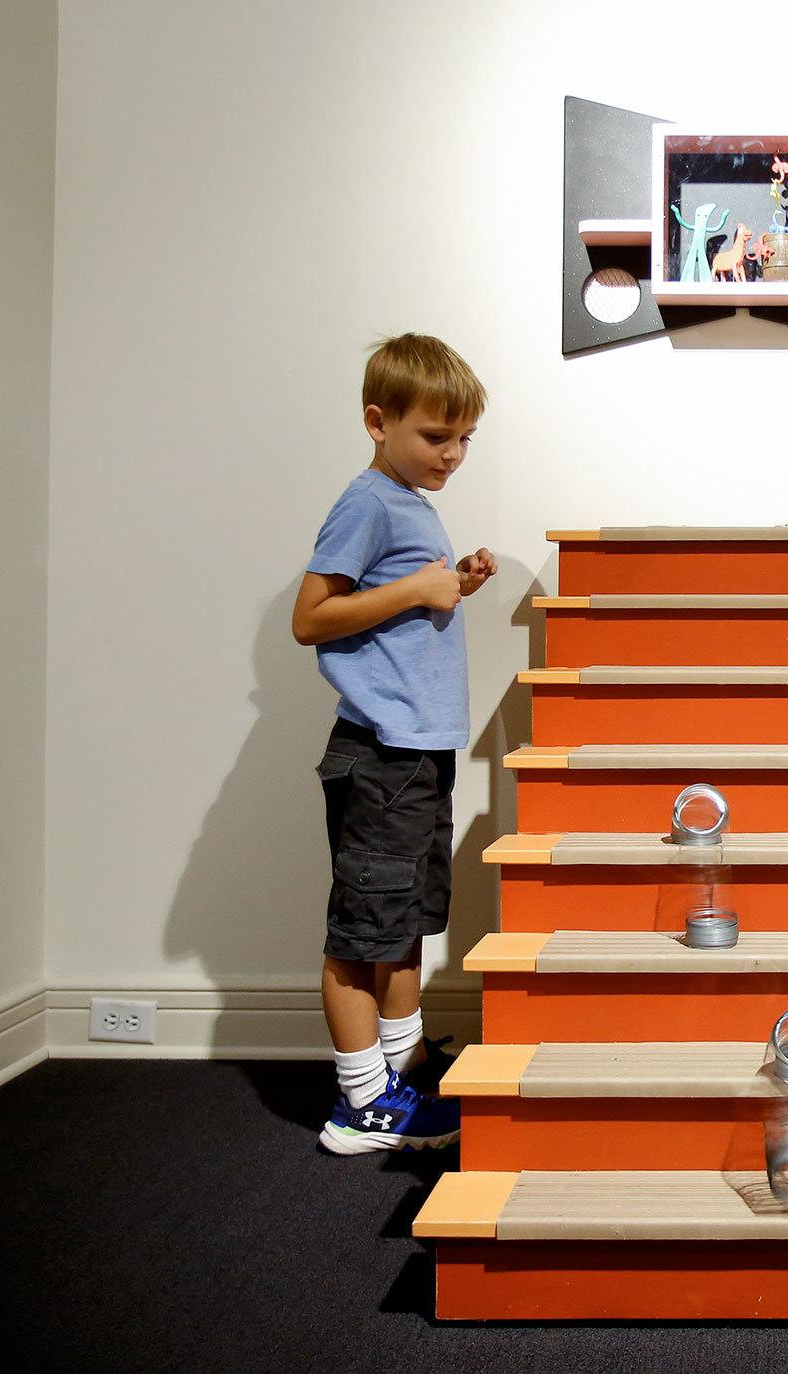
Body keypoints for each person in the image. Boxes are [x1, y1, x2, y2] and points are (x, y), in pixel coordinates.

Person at [291, 333, 498, 1154]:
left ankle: (401, 1068)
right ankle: (358, 1103)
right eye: (434, 437)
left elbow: (393, 612)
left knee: (403, 921)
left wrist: (453, 584)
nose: (451, 454)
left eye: (463, 440)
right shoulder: (369, 501)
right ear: (378, 422)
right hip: (378, 752)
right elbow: (311, 617)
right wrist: (418, 585)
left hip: (414, 752)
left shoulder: (409, 501)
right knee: (360, 936)